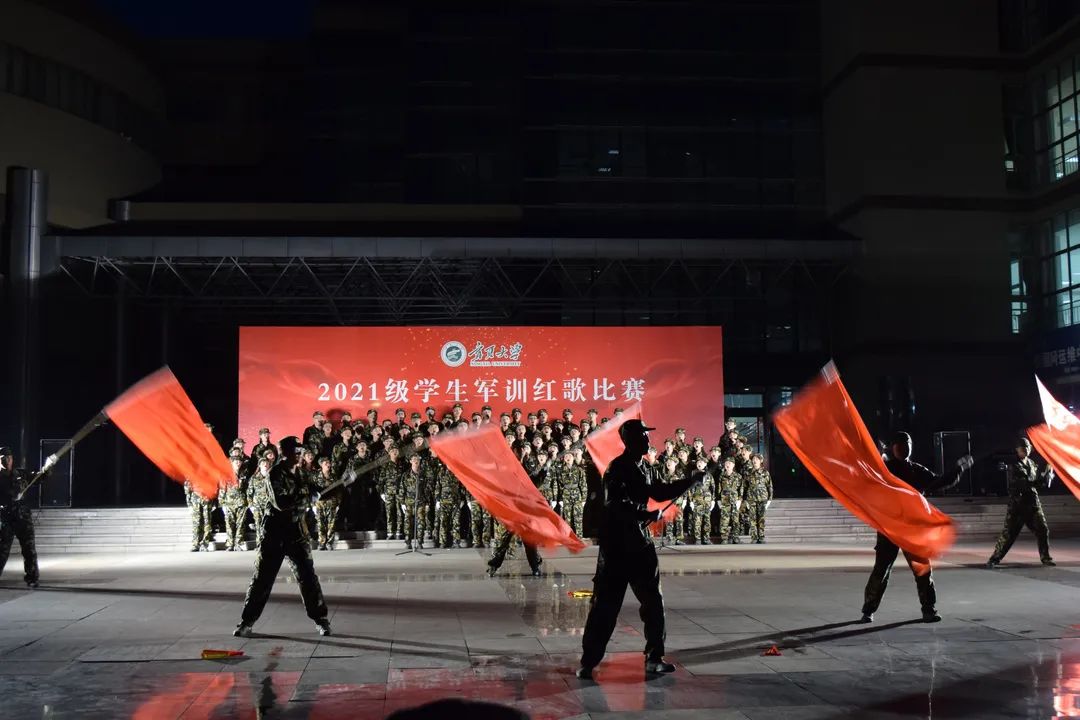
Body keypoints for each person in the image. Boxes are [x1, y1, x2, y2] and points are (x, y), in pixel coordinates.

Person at [577, 419, 701, 679]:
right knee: (605, 606)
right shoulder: (617, 468)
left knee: (653, 603)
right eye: (643, 436)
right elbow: (614, 504)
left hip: (640, 544)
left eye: (647, 435)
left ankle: (654, 657)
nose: (648, 440)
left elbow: (660, 491)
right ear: (630, 440)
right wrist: (644, 513)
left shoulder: (646, 467)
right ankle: (589, 661)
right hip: (616, 546)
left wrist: (689, 482)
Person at [860, 431, 972, 624]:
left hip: (912, 528)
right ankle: (868, 610)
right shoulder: (884, 470)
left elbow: (938, 482)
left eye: (907, 445)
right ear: (893, 448)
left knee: (922, 569)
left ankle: (929, 609)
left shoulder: (916, 470)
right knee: (881, 570)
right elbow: (868, 482)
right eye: (900, 445)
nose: (904, 448)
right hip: (890, 528)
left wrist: (957, 470)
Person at [234, 436, 333, 638]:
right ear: (285, 452)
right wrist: (308, 498)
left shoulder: (303, 473)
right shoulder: (275, 474)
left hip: (297, 532)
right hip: (275, 532)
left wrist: (342, 484)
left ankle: (321, 620)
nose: (299, 454)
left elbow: (321, 492)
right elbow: (281, 503)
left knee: (308, 578)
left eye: (300, 450)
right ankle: (247, 622)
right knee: (263, 578)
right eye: (295, 450)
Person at [986, 437, 1055, 568]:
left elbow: (1037, 485)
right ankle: (994, 559)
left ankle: (1045, 557)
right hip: (1018, 506)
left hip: (1033, 503)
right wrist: (1040, 480)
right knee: (1009, 534)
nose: (1025, 450)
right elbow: (1022, 484)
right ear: (1017, 450)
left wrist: (1047, 478)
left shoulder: (1032, 464)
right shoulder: (1013, 466)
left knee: (1043, 530)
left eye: (1027, 448)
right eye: (1022, 448)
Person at [0, 447, 41, 587]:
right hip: (5, 518)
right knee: (2, 550)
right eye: (2, 459)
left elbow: (38, 478)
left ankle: (32, 577)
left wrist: (47, 469)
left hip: (22, 518)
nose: (5, 461)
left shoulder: (20, 473)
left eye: (8, 458)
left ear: (11, 459)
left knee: (29, 549)